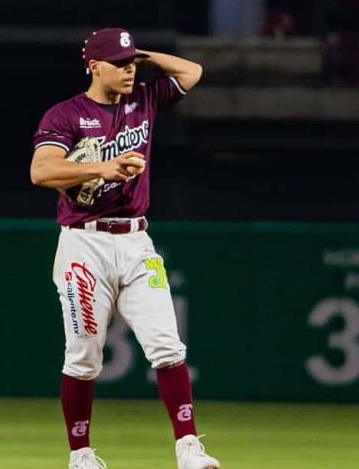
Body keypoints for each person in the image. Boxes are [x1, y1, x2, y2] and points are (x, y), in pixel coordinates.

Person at [29, 28, 219, 469]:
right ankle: (81, 454)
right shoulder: (67, 114)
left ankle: (188, 447)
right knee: (82, 355)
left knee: (168, 346)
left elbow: (193, 71)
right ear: (94, 66)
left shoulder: (144, 101)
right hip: (84, 244)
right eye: (120, 62)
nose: (130, 69)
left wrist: (143, 53)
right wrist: (104, 167)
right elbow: (41, 171)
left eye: (133, 62)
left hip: (136, 241)